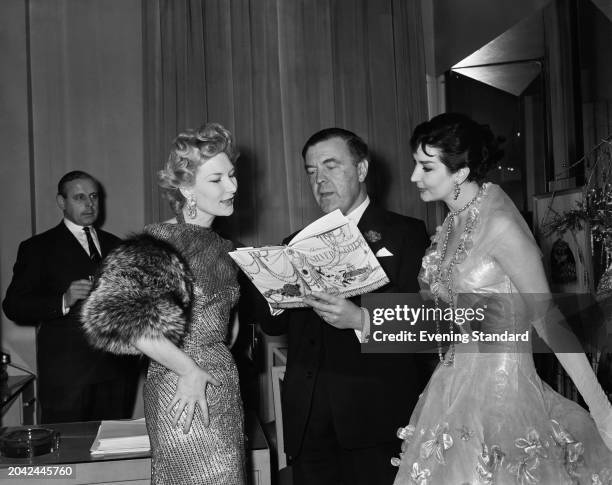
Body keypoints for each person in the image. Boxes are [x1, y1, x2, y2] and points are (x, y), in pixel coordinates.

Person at [393, 113, 612, 484]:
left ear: (460, 173)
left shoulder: (500, 225)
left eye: (426, 167)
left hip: (503, 398)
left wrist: (603, 411)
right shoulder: (451, 223)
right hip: (451, 390)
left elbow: (548, 320)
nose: (414, 176)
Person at [256, 128, 433, 485]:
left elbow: (424, 326)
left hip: (374, 419)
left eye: (331, 166)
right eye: (311, 171)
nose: (320, 180)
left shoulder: (406, 234)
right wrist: (272, 291)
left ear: (362, 170)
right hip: (308, 421)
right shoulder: (295, 243)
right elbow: (274, 328)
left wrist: (358, 318)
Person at [81, 123, 245, 484]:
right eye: (216, 179)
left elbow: (222, 328)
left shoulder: (223, 246)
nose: (232, 186)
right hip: (182, 386)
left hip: (220, 384)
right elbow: (122, 319)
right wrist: (188, 370)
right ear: (186, 187)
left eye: (231, 175)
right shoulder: (159, 241)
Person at [2, 171, 138, 423]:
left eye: (94, 196)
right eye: (79, 197)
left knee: (114, 455)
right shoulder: (37, 248)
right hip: (67, 376)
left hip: (117, 372)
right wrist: (62, 300)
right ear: (61, 202)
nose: (89, 204)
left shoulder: (118, 246)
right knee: (67, 450)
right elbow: (14, 306)